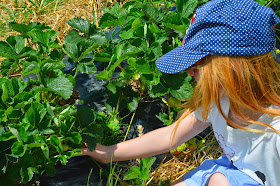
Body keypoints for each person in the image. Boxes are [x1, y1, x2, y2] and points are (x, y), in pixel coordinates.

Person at [80, 0, 280, 185]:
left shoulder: (276, 129)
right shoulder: (219, 102)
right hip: (234, 169)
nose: (188, 71)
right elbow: (171, 136)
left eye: (196, 65)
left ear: (232, 68)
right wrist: (108, 153)